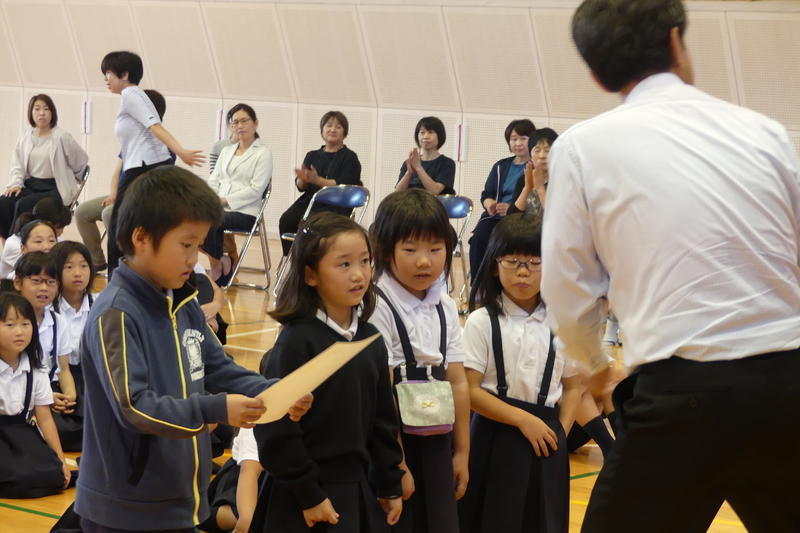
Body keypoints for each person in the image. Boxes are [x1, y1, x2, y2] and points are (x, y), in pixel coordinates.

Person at [541, 1, 800, 531]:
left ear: (596, 75)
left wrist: (594, 364)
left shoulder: (583, 146)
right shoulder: (765, 132)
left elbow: (566, 285)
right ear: (677, 43)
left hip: (683, 395)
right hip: (789, 386)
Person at [74, 165, 311, 532]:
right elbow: (134, 407)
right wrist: (216, 408)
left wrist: (274, 392)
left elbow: (217, 367)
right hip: (125, 508)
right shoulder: (116, 313)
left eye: (198, 245)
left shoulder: (182, 302)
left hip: (180, 498)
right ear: (141, 237)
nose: (194, 258)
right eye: (186, 245)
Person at [251, 211, 404, 532]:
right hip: (300, 496)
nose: (359, 274)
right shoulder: (297, 341)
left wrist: (389, 482)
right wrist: (308, 494)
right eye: (344, 264)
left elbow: (382, 421)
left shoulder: (370, 340)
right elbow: (276, 429)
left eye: (365, 261)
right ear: (310, 275)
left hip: (355, 488)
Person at [458, 213, 581, 533]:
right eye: (512, 262)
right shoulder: (481, 322)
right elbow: (470, 390)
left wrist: (561, 432)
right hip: (493, 435)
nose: (523, 272)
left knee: (543, 521)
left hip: (547, 439)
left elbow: (573, 387)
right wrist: (522, 420)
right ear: (495, 266)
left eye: (535, 262)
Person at [368, 189, 470, 533]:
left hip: (437, 438)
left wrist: (462, 452)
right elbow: (381, 395)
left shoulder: (445, 305)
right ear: (386, 250)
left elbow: (458, 381)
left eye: (435, 249)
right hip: (392, 440)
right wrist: (396, 464)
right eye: (410, 250)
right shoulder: (377, 305)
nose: (424, 261)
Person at [100, 51, 205, 275]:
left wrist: (181, 152)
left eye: (109, 73)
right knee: (137, 226)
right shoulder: (132, 96)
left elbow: (155, 126)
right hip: (144, 165)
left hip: (144, 167)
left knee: (120, 225)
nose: (106, 79)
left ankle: (117, 280)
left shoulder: (131, 95)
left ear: (124, 74)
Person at [75, 89, 172, 272]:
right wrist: (114, 194)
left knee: (110, 214)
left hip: (141, 203)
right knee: (82, 212)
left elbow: (151, 188)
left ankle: (122, 266)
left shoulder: (162, 147)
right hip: (120, 195)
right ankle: (96, 261)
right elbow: (116, 173)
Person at [0, 292, 71, 498]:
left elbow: (45, 419)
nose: (19, 332)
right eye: (10, 325)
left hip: (21, 432)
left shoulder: (36, 370)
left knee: (54, 475)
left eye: (26, 324)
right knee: (19, 477)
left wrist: (60, 460)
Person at [0, 94, 88, 239]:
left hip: (55, 187)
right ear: (31, 112)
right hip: (31, 185)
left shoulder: (62, 136)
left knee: (23, 204)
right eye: (37, 109)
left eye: (46, 109)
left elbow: (81, 161)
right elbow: (17, 165)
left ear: (52, 113)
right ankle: (8, 244)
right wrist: (16, 184)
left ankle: (19, 243)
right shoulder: (25, 136)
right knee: (4, 202)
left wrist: (72, 181)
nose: (42, 113)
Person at [202, 103, 272, 283]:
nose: (239, 126)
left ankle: (216, 268)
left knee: (212, 220)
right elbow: (214, 180)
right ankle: (221, 261)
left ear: (255, 123)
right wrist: (212, 199)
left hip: (245, 212)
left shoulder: (263, 153)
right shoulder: (226, 151)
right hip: (221, 207)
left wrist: (224, 200)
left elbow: (256, 190)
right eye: (235, 122)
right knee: (189, 218)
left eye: (244, 121)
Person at [13, 252, 78, 444]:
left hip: (51, 388)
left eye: (51, 282)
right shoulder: (9, 322)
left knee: (89, 421)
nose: (44, 288)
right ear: (18, 283)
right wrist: (46, 397)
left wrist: (70, 396)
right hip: (20, 392)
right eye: (36, 281)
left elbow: (64, 369)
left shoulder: (58, 321)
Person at [278, 111, 362, 256]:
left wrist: (317, 180)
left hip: (336, 205)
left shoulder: (350, 157)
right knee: (287, 220)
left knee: (311, 225)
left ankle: (313, 260)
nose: (332, 129)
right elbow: (301, 187)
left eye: (338, 127)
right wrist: (302, 179)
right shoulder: (312, 155)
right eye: (328, 126)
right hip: (310, 200)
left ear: (345, 133)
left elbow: (345, 187)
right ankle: (291, 258)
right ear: (322, 130)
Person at [468, 119, 535, 281]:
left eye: (523, 138)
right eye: (513, 139)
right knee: (480, 237)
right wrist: (490, 204)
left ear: (532, 140)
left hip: (521, 218)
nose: (518, 143)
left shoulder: (536, 167)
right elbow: (486, 194)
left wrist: (511, 208)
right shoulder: (500, 166)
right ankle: (479, 284)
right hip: (495, 217)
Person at [50, 241, 96, 450]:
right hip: (57, 378)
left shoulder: (100, 305)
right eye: (69, 267)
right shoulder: (48, 309)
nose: (78, 273)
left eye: (83, 266)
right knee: (63, 429)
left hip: (92, 378)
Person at [0, 198, 70, 279]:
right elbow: (36, 272)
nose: (61, 231)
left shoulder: (57, 240)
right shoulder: (14, 244)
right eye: (58, 227)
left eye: (51, 241)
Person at [395, 117, 456, 195]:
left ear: (440, 136)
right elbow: (397, 194)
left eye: (430, 132)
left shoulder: (446, 163)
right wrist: (409, 173)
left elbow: (435, 191)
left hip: (433, 203)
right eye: (422, 132)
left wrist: (418, 168)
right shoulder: (410, 162)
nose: (426, 136)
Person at [510, 128, 558, 217]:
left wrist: (540, 188)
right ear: (531, 156)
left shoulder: (562, 180)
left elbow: (557, 217)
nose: (542, 156)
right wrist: (527, 188)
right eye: (537, 151)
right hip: (526, 226)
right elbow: (511, 218)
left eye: (547, 151)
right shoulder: (524, 179)